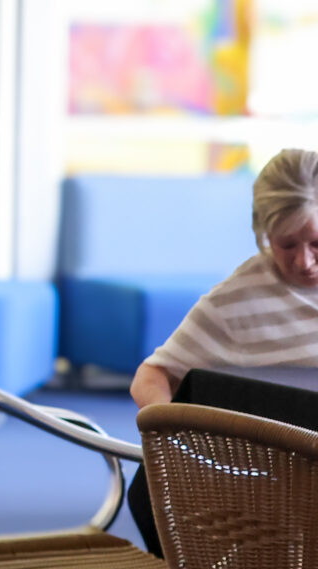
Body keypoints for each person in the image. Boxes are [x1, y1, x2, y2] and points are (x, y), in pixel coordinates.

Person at [131, 149, 318, 408]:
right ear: (265, 234)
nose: (304, 262)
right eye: (287, 245)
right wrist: (166, 429)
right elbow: (151, 377)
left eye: (316, 243)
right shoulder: (235, 302)